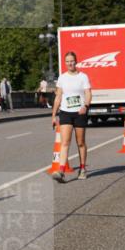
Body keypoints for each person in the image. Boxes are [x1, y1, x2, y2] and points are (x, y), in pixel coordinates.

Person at [51, 51, 92, 182]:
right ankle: (61, 170)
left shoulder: (83, 77)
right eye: (67, 61)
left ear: (76, 61)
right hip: (65, 112)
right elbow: (58, 97)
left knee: (80, 142)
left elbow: (88, 93)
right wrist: (53, 115)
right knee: (65, 142)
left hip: (79, 113)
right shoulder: (62, 78)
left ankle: (82, 168)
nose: (70, 63)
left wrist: (85, 106)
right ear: (65, 63)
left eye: (72, 61)